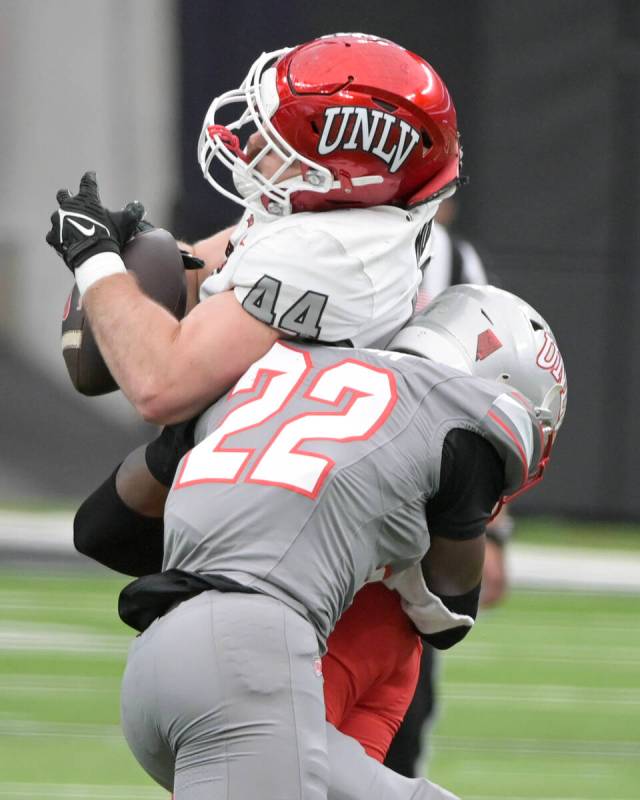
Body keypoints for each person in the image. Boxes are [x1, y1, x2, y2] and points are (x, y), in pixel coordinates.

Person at [74, 284, 567, 800]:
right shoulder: (455, 420)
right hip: (249, 656)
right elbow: (451, 606)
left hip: (158, 655)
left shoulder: (272, 368)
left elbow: (99, 528)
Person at [45, 32, 460, 425]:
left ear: (343, 174)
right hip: (290, 432)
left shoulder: (322, 251)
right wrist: (135, 255)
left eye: (282, 138)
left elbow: (160, 386)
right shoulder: (337, 210)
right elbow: (202, 270)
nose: (255, 142)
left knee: (139, 480)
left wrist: (95, 260)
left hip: (301, 464)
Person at [385, 199, 512, 778]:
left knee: (404, 694)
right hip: (320, 485)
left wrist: (494, 532)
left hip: (417, 494)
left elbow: (485, 393)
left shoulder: (458, 261)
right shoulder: (318, 242)